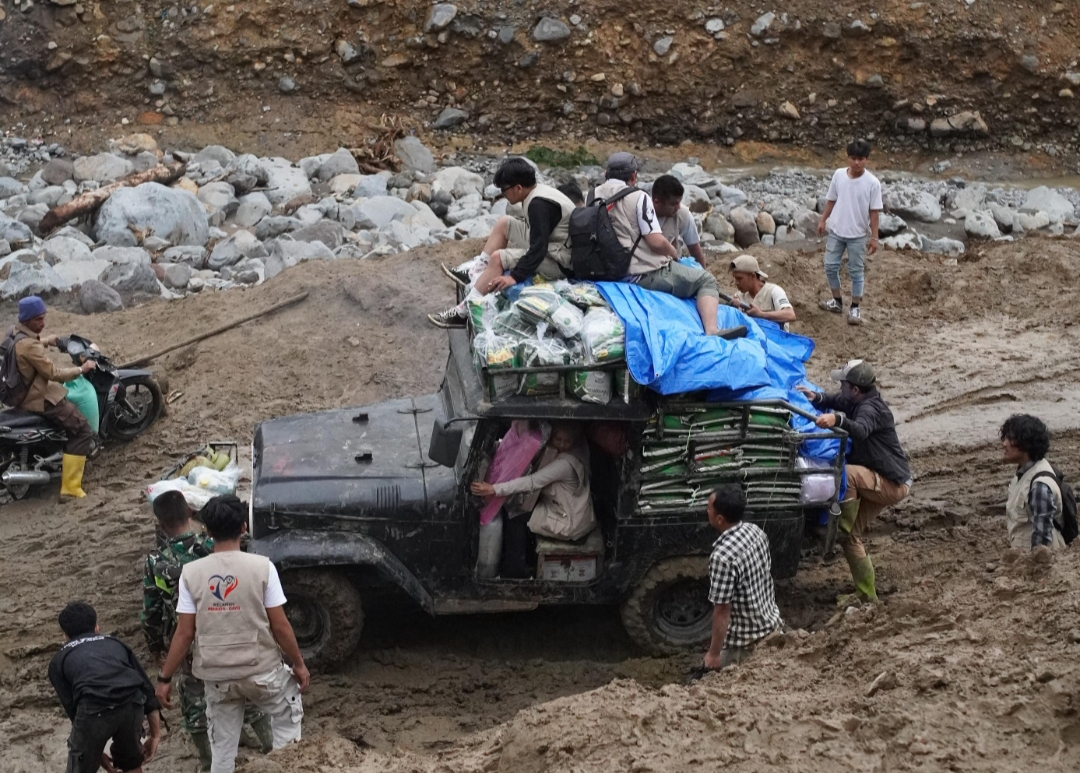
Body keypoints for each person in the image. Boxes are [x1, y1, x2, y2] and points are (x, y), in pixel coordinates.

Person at [155, 495, 310, 773]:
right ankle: (286, 764)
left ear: (207, 530)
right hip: (262, 671)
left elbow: (184, 633)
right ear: (243, 527)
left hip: (217, 676)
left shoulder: (190, 573)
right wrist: (298, 663)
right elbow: (281, 626)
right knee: (287, 717)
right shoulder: (262, 567)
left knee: (222, 751)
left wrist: (164, 678)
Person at [141, 491, 272, 771]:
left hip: (189, 644)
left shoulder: (157, 562)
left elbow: (151, 610)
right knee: (246, 692)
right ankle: (271, 748)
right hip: (231, 630)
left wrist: (156, 647)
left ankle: (208, 761)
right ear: (190, 513)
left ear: (160, 524)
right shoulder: (214, 545)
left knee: (195, 705)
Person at [797, 360, 912, 604]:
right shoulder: (858, 399)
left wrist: (837, 420)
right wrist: (816, 397)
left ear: (856, 389)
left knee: (846, 474)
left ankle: (839, 525)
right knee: (851, 540)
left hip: (891, 482)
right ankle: (867, 594)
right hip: (880, 476)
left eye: (844, 384)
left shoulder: (871, 409)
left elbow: (860, 430)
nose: (841, 387)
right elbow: (838, 400)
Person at [594, 152, 735, 338]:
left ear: (606, 174)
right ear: (634, 176)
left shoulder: (593, 195)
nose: (678, 208)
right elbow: (656, 242)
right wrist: (673, 254)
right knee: (707, 280)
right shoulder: (638, 197)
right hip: (638, 274)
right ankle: (712, 330)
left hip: (604, 271)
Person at [430, 157, 577, 328]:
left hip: (559, 261)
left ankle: (463, 312)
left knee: (499, 258)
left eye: (504, 190)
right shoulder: (537, 192)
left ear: (518, 188)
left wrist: (514, 277)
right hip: (553, 245)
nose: (503, 194)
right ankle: (475, 271)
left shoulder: (539, 205)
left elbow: (538, 249)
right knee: (504, 223)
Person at [48, 601, 162, 773]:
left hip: (94, 708)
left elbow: (74, 710)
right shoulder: (116, 644)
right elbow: (147, 690)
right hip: (132, 702)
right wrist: (155, 735)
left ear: (65, 635)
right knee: (131, 763)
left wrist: (94, 753)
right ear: (96, 627)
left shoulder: (58, 660)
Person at [4, 295, 96, 497]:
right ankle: (71, 489)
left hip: (19, 394)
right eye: (38, 319)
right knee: (82, 430)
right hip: (38, 398)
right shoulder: (30, 346)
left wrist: (48, 340)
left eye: (43, 317)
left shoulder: (13, 332)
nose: (43, 323)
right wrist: (81, 369)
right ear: (27, 319)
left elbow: (26, 347)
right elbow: (53, 373)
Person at [470, 422, 595, 542]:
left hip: (569, 521)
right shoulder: (555, 451)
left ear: (574, 442)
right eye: (558, 439)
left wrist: (494, 489)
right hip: (565, 510)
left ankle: (516, 558)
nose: (562, 445)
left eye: (567, 441)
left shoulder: (565, 464)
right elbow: (518, 449)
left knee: (516, 518)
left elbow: (532, 482)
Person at [703, 485, 783, 670]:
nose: (707, 511)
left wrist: (713, 654)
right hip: (772, 625)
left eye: (709, 508)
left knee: (712, 672)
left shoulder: (722, 557)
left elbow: (722, 610)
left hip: (746, 643)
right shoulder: (755, 531)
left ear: (720, 519)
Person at [816, 139, 882, 327]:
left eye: (860, 159)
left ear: (867, 159)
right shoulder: (839, 175)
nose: (856, 162)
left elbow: (874, 212)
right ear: (848, 158)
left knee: (856, 271)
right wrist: (823, 220)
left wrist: (874, 237)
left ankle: (855, 307)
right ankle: (837, 301)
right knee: (830, 266)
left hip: (858, 234)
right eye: (853, 158)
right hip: (837, 230)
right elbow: (831, 199)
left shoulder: (873, 183)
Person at [999, 414, 1067, 551]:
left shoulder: (1040, 485)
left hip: (1039, 560)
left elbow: (1042, 542)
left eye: (1010, 439)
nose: (1004, 444)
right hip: (1022, 556)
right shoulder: (1024, 472)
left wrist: (1033, 562)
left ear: (1026, 443)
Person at [651, 174, 707, 268]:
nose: (678, 207)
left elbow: (695, 250)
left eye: (679, 202)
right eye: (674, 204)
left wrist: (703, 273)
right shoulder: (641, 213)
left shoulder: (683, 214)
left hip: (672, 268)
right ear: (657, 203)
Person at [729, 254, 796, 331]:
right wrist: (735, 311)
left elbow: (790, 314)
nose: (736, 282)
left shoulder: (773, 291)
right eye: (735, 278)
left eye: (739, 278)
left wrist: (761, 314)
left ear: (753, 276)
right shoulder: (739, 296)